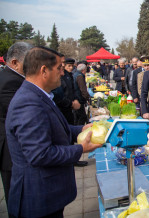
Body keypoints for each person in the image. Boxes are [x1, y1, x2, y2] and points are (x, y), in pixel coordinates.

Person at [6, 46, 102, 217]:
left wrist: (81, 129)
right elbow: (39, 154)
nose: (63, 73)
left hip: (48, 196)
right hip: (37, 199)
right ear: (44, 71)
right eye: (59, 68)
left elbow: (55, 129)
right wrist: (81, 149)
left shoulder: (39, 95)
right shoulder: (28, 103)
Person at [0, 42, 34, 206]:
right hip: (11, 151)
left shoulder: (10, 78)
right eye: (29, 62)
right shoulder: (10, 82)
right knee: (19, 198)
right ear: (14, 62)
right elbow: (23, 117)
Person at [52, 58, 80, 125]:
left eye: (72, 66)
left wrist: (75, 99)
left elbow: (73, 89)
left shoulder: (69, 75)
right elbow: (59, 96)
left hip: (70, 107)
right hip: (64, 109)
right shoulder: (61, 78)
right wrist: (71, 103)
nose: (71, 68)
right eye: (69, 66)